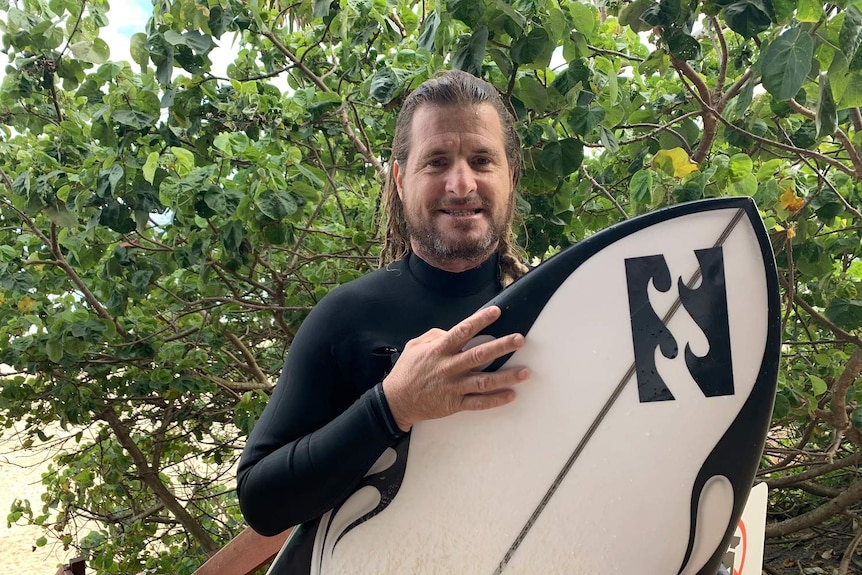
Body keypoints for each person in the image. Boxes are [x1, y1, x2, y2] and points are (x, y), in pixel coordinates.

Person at [236, 69, 532, 538]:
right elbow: (261, 500)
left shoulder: (555, 307)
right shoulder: (346, 317)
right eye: (436, 162)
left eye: (481, 160)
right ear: (399, 179)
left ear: (510, 176)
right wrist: (391, 407)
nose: (461, 184)